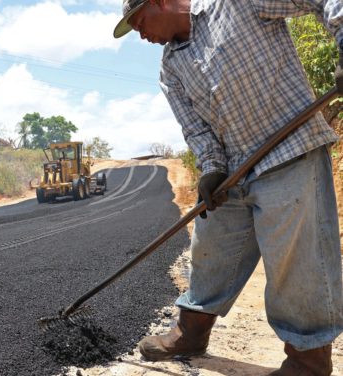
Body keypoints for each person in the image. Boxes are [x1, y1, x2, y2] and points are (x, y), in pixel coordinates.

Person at [113, 0, 343, 374]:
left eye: (139, 21)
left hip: (290, 152)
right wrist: (211, 171)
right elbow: (197, 129)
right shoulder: (170, 67)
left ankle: (308, 358)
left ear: (160, 2)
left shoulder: (236, 3)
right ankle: (191, 332)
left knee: (295, 262)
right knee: (210, 249)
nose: (141, 34)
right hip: (233, 170)